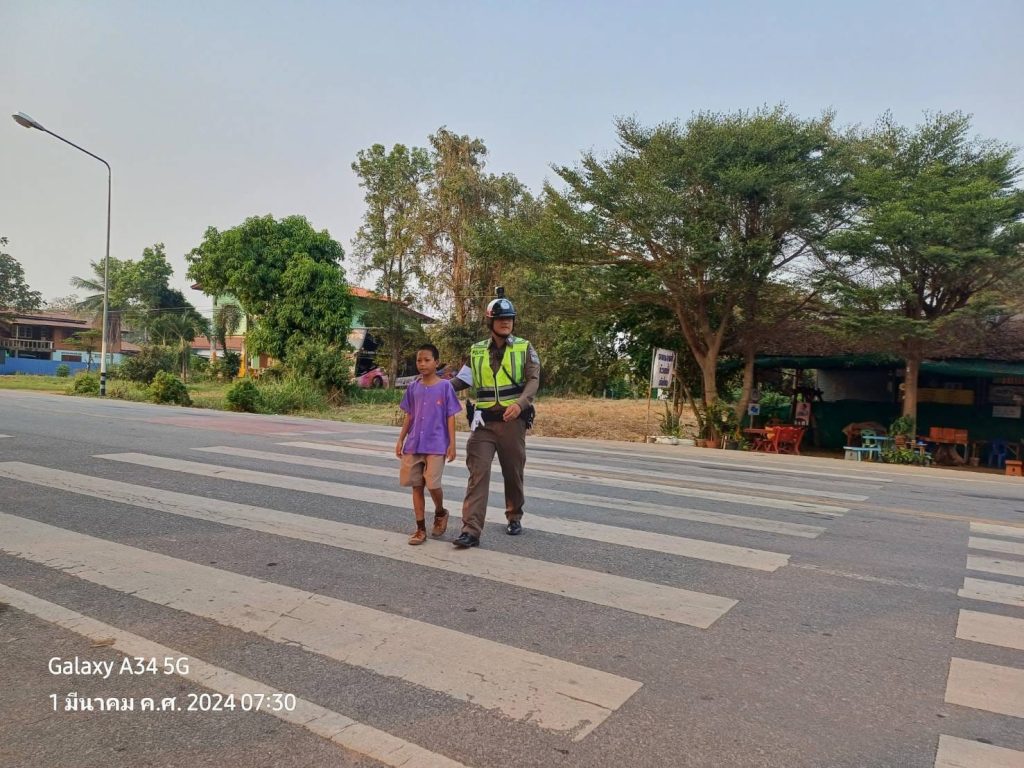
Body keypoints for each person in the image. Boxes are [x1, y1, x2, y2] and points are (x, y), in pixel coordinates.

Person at [450, 293, 540, 548]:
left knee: (513, 473)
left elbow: (533, 380)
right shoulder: (477, 350)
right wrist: (436, 386)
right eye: (500, 318)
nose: (506, 322)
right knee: (478, 474)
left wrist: (520, 404)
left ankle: (514, 515)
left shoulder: (524, 347)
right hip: (483, 424)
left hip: (513, 423)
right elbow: (462, 380)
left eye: (509, 318)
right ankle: (471, 530)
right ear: (490, 322)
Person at [395, 344, 462, 545]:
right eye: (419, 360)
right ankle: (420, 529)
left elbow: (450, 416)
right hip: (414, 443)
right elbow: (409, 415)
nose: (422, 364)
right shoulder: (413, 387)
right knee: (416, 486)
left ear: (436, 362)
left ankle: (440, 512)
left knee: (432, 484)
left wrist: (452, 444)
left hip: (436, 444)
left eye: (427, 360)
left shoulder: (445, 387)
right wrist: (401, 439)